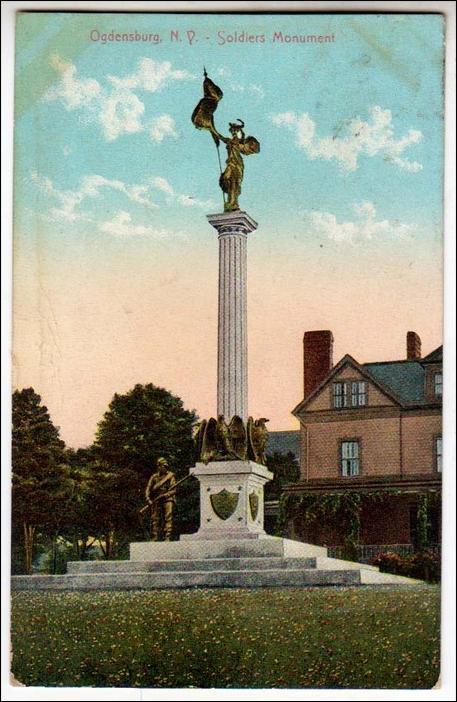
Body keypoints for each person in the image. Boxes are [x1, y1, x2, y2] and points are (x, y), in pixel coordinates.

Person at [145, 457, 176, 541]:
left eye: (166, 467)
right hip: (156, 499)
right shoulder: (154, 477)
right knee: (155, 518)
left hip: (167, 498)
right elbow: (148, 488)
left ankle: (168, 536)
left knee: (168, 517)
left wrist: (166, 495)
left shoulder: (170, 476)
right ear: (159, 467)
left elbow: (173, 490)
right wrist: (148, 499)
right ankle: (154, 537)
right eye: (163, 466)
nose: (165, 468)